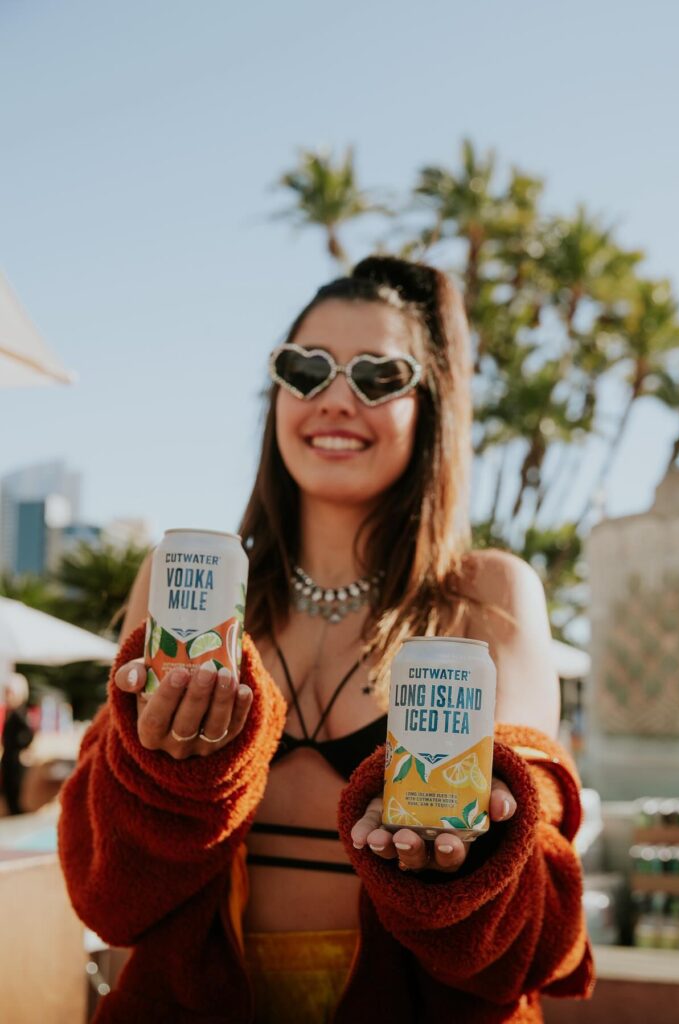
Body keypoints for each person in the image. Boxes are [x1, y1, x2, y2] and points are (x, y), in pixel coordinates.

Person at [58, 256, 594, 1023]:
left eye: (379, 376)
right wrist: (162, 779)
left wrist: (466, 864)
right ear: (276, 394)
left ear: (430, 407)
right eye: (306, 369)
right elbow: (107, 898)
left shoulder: (491, 597)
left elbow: (535, 943)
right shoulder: (185, 584)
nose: (337, 398)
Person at [1, 672, 34, 816]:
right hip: (9, 756)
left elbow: (28, 734)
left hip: (14, 758)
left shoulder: (19, 713)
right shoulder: (12, 712)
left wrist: (21, 747)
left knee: (14, 789)